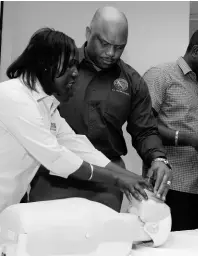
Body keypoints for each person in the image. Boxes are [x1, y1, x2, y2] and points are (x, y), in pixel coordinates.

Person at [0, 28, 152, 249]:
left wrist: (130, 177)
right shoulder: (13, 97)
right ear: (45, 66)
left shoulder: (47, 105)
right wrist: (116, 180)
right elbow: (55, 157)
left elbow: (76, 144)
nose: (75, 73)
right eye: (68, 66)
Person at [29, 6, 172, 211]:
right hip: (55, 175)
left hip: (105, 182)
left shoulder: (132, 82)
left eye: (119, 47)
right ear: (88, 33)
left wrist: (158, 158)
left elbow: (145, 130)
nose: (111, 53)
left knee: (104, 239)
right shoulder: (58, 68)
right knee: (46, 235)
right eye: (104, 44)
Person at [142, 27, 198, 231]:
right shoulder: (161, 76)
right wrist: (192, 140)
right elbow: (144, 126)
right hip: (169, 187)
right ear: (196, 51)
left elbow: (197, 135)